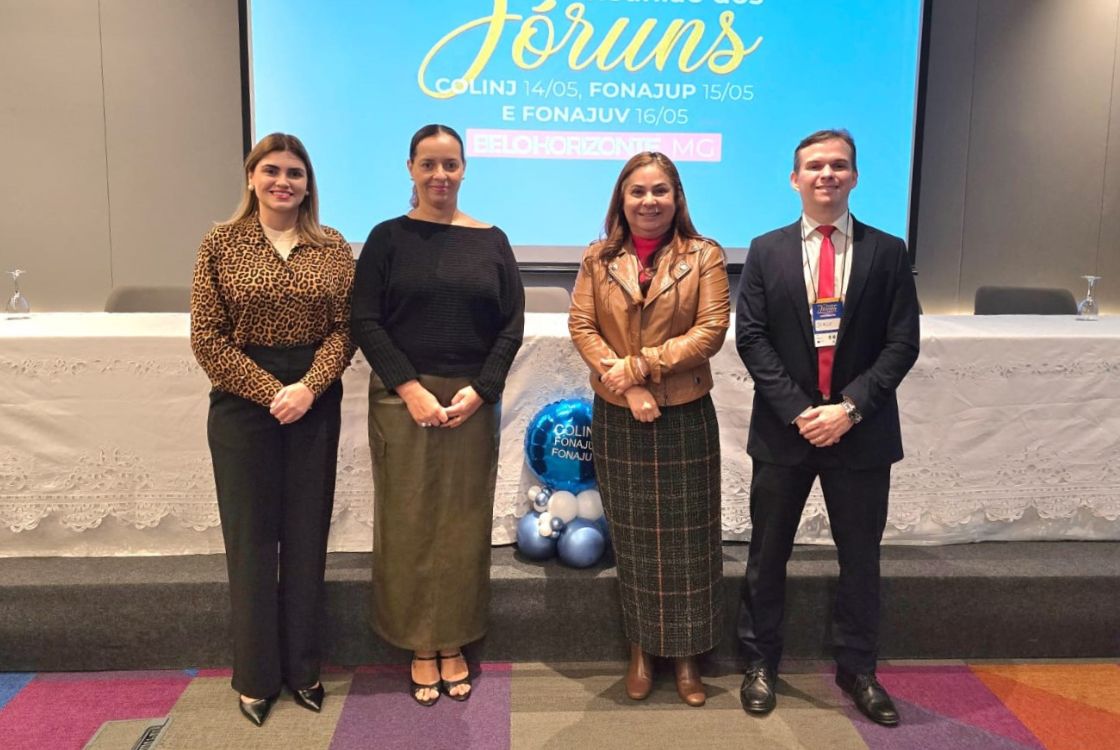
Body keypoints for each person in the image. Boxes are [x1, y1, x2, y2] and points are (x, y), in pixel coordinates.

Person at [734, 129, 920, 726]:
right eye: (814, 166)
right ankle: (760, 662)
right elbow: (751, 338)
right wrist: (800, 410)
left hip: (860, 432)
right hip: (784, 431)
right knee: (767, 555)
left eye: (839, 165)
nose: (827, 174)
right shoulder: (765, 250)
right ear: (795, 179)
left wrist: (848, 409)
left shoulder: (888, 251)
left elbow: (902, 343)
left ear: (855, 178)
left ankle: (858, 668)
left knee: (861, 558)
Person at [350, 124, 524, 706]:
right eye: (428, 164)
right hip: (403, 398)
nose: (440, 175)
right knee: (408, 522)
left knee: (463, 524)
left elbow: (511, 325)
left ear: (464, 169)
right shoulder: (387, 238)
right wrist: (410, 389)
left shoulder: (493, 240)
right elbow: (365, 319)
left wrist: (483, 390)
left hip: (470, 401)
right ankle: (419, 644)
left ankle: (453, 640)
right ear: (410, 169)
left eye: (450, 164)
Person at [190, 132, 355, 726]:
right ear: (252, 177)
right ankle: (256, 676)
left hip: (314, 398)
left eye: (295, 173)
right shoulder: (221, 242)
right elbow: (206, 337)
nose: (283, 181)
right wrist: (270, 392)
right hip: (242, 405)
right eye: (272, 171)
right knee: (252, 541)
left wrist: (307, 388)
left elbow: (345, 329)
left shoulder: (332, 245)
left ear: (308, 185)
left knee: (307, 536)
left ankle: (304, 669)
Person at [568, 151, 730, 707]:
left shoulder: (704, 255)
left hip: (684, 412)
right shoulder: (598, 257)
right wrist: (627, 387)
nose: (649, 201)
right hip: (618, 414)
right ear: (622, 198)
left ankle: (687, 657)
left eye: (660, 190)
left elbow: (710, 332)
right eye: (637, 191)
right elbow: (582, 326)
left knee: (689, 540)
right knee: (634, 539)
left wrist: (639, 367)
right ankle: (641, 651)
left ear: (677, 197)